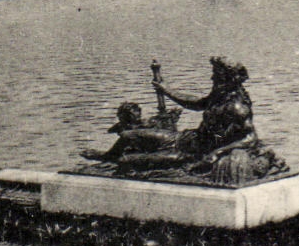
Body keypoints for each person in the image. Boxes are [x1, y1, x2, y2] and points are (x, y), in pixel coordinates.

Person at [82, 57, 260, 173]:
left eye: (216, 76)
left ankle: (117, 161)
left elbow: (250, 138)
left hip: (194, 153)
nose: (212, 79)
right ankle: (107, 156)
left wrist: (216, 153)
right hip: (185, 138)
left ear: (229, 80)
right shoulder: (219, 96)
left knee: (128, 160)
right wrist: (166, 91)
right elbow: (197, 104)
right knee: (128, 136)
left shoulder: (237, 107)